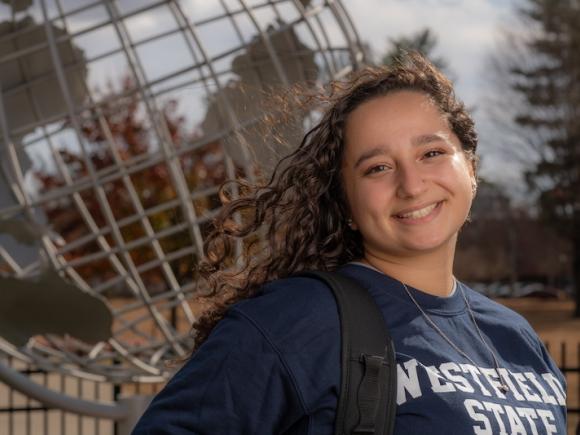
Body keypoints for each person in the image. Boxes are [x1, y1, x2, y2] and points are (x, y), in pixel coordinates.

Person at [132, 53, 567, 434]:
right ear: (345, 202)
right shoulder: (298, 318)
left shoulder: (517, 338)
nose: (411, 185)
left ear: (470, 168)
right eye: (377, 167)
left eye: (431, 153)